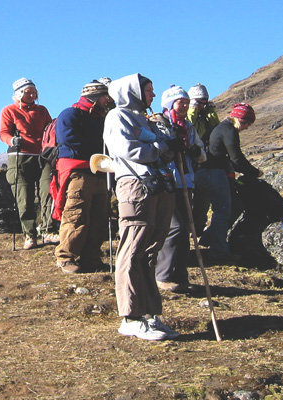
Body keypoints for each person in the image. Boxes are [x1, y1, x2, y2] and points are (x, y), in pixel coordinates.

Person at [103, 73, 182, 341]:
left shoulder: (144, 118)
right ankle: (130, 316)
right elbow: (126, 148)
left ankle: (148, 313)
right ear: (132, 91)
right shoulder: (117, 116)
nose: (152, 94)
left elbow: (161, 147)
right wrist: (160, 148)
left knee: (151, 249)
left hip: (159, 185)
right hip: (136, 185)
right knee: (133, 248)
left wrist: (172, 143)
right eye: (147, 90)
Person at [51, 80, 112, 274]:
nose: (108, 100)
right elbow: (68, 142)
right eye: (105, 97)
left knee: (99, 216)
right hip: (78, 171)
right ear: (96, 97)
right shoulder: (70, 114)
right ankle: (65, 256)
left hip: (98, 171)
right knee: (76, 214)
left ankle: (91, 258)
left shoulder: (100, 117)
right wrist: (95, 154)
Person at [152, 85, 207, 292]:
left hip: (186, 181)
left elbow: (201, 151)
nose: (184, 105)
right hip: (167, 182)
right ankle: (162, 275)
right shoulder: (159, 124)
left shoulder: (188, 126)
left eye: (186, 102)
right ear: (169, 104)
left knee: (186, 229)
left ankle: (180, 276)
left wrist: (195, 152)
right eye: (180, 102)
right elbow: (156, 150)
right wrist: (168, 149)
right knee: (174, 228)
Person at [198, 103, 259, 262]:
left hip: (205, 172)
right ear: (240, 119)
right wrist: (254, 172)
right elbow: (236, 157)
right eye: (247, 123)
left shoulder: (219, 128)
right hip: (215, 173)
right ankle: (218, 252)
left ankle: (207, 238)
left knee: (232, 206)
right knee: (223, 211)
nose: (246, 128)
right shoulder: (229, 131)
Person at [0, 78, 55, 250]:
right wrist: (11, 140)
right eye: (27, 92)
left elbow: (50, 128)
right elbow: (3, 132)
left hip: (43, 156)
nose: (31, 95)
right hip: (20, 157)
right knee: (24, 198)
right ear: (18, 94)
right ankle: (30, 235)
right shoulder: (9, 110)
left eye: (33, 92)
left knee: (48, 192)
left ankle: (48, 230)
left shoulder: (42, 110)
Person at [186, 84, 219, 237]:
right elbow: (189, 128)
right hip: (188, 162)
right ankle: (186, 228)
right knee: (188, 197)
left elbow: (215, 130)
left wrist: (211, 112)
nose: (201, 106)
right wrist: (192, 109)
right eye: (199, 102)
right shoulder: (187, 115)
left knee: (202, 197)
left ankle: (198, 227)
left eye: (204, 102)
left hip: (202, 162)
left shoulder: (205, 116)